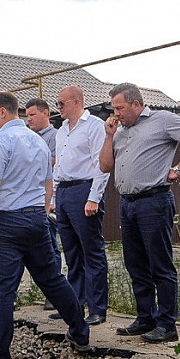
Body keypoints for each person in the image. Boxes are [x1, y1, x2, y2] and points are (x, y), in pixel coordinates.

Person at [0, 91, 90, 359]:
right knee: (51, 279)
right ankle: (80, 332)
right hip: (36, 219)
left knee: (2, 292)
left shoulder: (1, 141)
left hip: (6, 223)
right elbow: (49, 185)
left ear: (2, 112)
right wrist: (41, 211)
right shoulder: (38, 141)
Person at [99, 83, 180, 344]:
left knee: (160, 264)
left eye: (119, 107)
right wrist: (108, 136)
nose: (116, 113)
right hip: (127, 203)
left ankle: (167, 324)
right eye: (113, 108)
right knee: (135, 263)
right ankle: (145, 318)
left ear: (136, 104)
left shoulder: (162, 120)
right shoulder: (119, 132)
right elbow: (105, 165)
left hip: (154, 200)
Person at [54, 85, 110, 326]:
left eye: (61, 103)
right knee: (72, 252)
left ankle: (98, 308)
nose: (58, 108)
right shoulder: (62, 131)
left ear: (76, 102)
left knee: (92, 251)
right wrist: (54, 198)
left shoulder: (94, 126)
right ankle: (75, 303)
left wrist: (94, 197)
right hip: (65, 191)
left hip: (84, 188)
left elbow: (102, 164)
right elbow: (59, 167)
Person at [25, 97, 63, 289]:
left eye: (32, 114)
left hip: (48, 197)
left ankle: (55, 287)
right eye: (27, 116)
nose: (29, 119)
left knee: (50, 244)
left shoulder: (55, 136)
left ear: (46, 113)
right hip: (29, 199)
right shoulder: (27, 137)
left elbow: (54, 163)